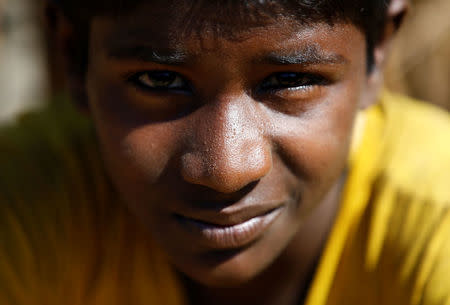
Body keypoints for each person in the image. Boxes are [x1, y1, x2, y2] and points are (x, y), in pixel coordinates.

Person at [0, 1, 449, 304]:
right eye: (159, 80)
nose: (225, 170)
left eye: (289, 81)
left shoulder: (436, 219)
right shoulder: (24, 207)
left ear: (379, 50)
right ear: (74, 56)